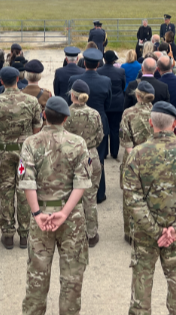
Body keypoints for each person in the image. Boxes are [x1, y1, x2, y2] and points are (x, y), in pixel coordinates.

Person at [122, 101, 176, 315]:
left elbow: (131, 197)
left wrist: (155, 230)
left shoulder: (137, 154)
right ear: (175, 124)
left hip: (145, 235)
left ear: (151, 123)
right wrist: (175, 229)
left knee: (141, 288)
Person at [19, 97, 91, 315]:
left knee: (37, 279)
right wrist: (64, 213)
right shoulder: (78, 143)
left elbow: (26, 181)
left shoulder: (30, 143)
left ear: (44, 116)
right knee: (71, 280)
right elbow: (82, 183)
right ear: (66, 119)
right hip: (71, 218)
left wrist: (37, 213)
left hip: (41, 215)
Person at [0, 67, 43, 249]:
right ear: (18, 79)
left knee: (6, 191)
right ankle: (25, 234)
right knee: (24, 190)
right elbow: (37, 128)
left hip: (5, 153)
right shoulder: (31, 101)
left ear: (1, 81)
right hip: (24, 155)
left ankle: (8, 233)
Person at [67, 48, 112, 204]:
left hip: (76, 122)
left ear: (84, 63)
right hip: (98, 121)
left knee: (74, 159)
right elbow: (108, 103)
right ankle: (98, 194)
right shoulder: (106, 81)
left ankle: (76, 195)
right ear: (98, 64)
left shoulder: (74, 79)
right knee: (98, 159)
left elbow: (69, 102)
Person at [64, 80, 104, 248]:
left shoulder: (66, 113)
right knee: (90, 197)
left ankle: (72, 232)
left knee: (70, 197)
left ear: (72, 95)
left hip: (72, 158)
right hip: (91, 156)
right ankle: (91, 233)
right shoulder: (94, 114)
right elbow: (100, 136)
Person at [118, 81, 154, 243]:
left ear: (137, 96)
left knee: (130, 196)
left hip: (133, 157)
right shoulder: (158, 112)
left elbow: (125, 140)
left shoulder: (128, 113)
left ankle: (130, 233)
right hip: (154, 158)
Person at [97, 51, 126, 159]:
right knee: (114, 128)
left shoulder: (99, 71)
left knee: (104, 127)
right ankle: (114, 152)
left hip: (104, 102)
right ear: (114, 60)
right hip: (117, 102)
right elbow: (123, 85)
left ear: (104, 59)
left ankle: (104, 152)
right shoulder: (120, 71)